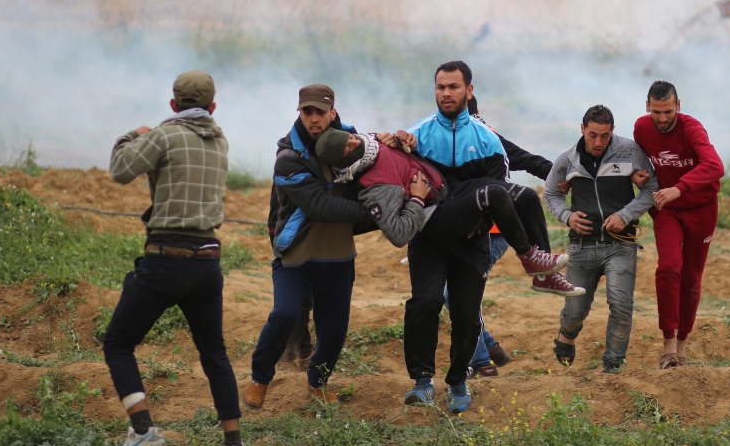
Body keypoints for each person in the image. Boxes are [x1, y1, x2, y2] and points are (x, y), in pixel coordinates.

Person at [385, 61, 580, 413]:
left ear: (468, 91)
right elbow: (391, 170)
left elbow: (505, 183)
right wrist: (390, 141)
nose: (446, 93)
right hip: (429, 237)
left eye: (454, 87)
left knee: (466, 315)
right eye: (441, 87)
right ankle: (422, 382)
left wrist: (562, 177)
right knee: (424, 303)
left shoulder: (487, 139)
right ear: (435, 90)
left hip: (472, 239)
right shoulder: (417, 136)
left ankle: (458, 379)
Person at [103, 70, 244, 446]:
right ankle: (233, 439)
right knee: (214, 353)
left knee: (117, 343)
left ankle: (144, 430)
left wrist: (133, 135)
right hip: (208, 261)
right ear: (213, 107)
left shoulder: (164, 135)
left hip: (167, 259)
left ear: (172, 104)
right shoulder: (220, 141)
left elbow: (119, 171)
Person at [242, 85, 376, 410]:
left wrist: (393, 142)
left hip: (337, 253)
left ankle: (318, 381)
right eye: (307, 112)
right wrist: (377, 214)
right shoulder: (288, 159)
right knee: (284, 314)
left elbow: (377, 159)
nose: (314, 119)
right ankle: (260, 377)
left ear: (333, 112)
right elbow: (321, 207)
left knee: (334, 328)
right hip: (295, 252)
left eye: (320, 112)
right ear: (299, 113)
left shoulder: (352, 143)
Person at [314, 128, 567, 278]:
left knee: (526, 196)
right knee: (447, 296)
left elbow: (522, 157)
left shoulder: (374, 140)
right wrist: (416, 198)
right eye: (347, 146)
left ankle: (545, 273)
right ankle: (531, 259)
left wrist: (405, 142)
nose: (354, 141)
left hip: (453, 197)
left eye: (349, 137)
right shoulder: (374, 183)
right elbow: (398, 233)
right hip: (439, 215)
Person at [543, 104, 658, 374]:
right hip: (581, 246)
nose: (598, 142)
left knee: (620, 304)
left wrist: (626, 214)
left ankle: (612, 367)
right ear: (582, 129)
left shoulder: (630, 151)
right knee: (575, 311)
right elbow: (550, 194)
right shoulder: (567, 160)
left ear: (613, 131)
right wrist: (568, 216)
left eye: (604, 135)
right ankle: (567, 334)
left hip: (621, 243)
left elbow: (652, 188)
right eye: (592, 134)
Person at [461, 96, 567, 379]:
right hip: (463, 230)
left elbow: (527, 160)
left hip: (493, 233)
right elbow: (528, 160)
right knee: (455, 292)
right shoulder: (446, 138)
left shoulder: (484, 135)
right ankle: (488, 347)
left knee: (458, 292)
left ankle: (482, 362)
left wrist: (566, 179)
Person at [632, 81, 725, 369]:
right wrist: (637, 174)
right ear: (647, 107)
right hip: (667, 210)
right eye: (657, 112)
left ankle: (683, 344)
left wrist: (680, 188)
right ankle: (668, 344)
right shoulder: (641, 128)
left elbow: (715, 166)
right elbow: (638, 160)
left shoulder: (691, 129)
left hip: (701, 209)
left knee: (691, 278)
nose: (662, 119)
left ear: (678, 106)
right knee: (669, 267)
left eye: (668, 112)